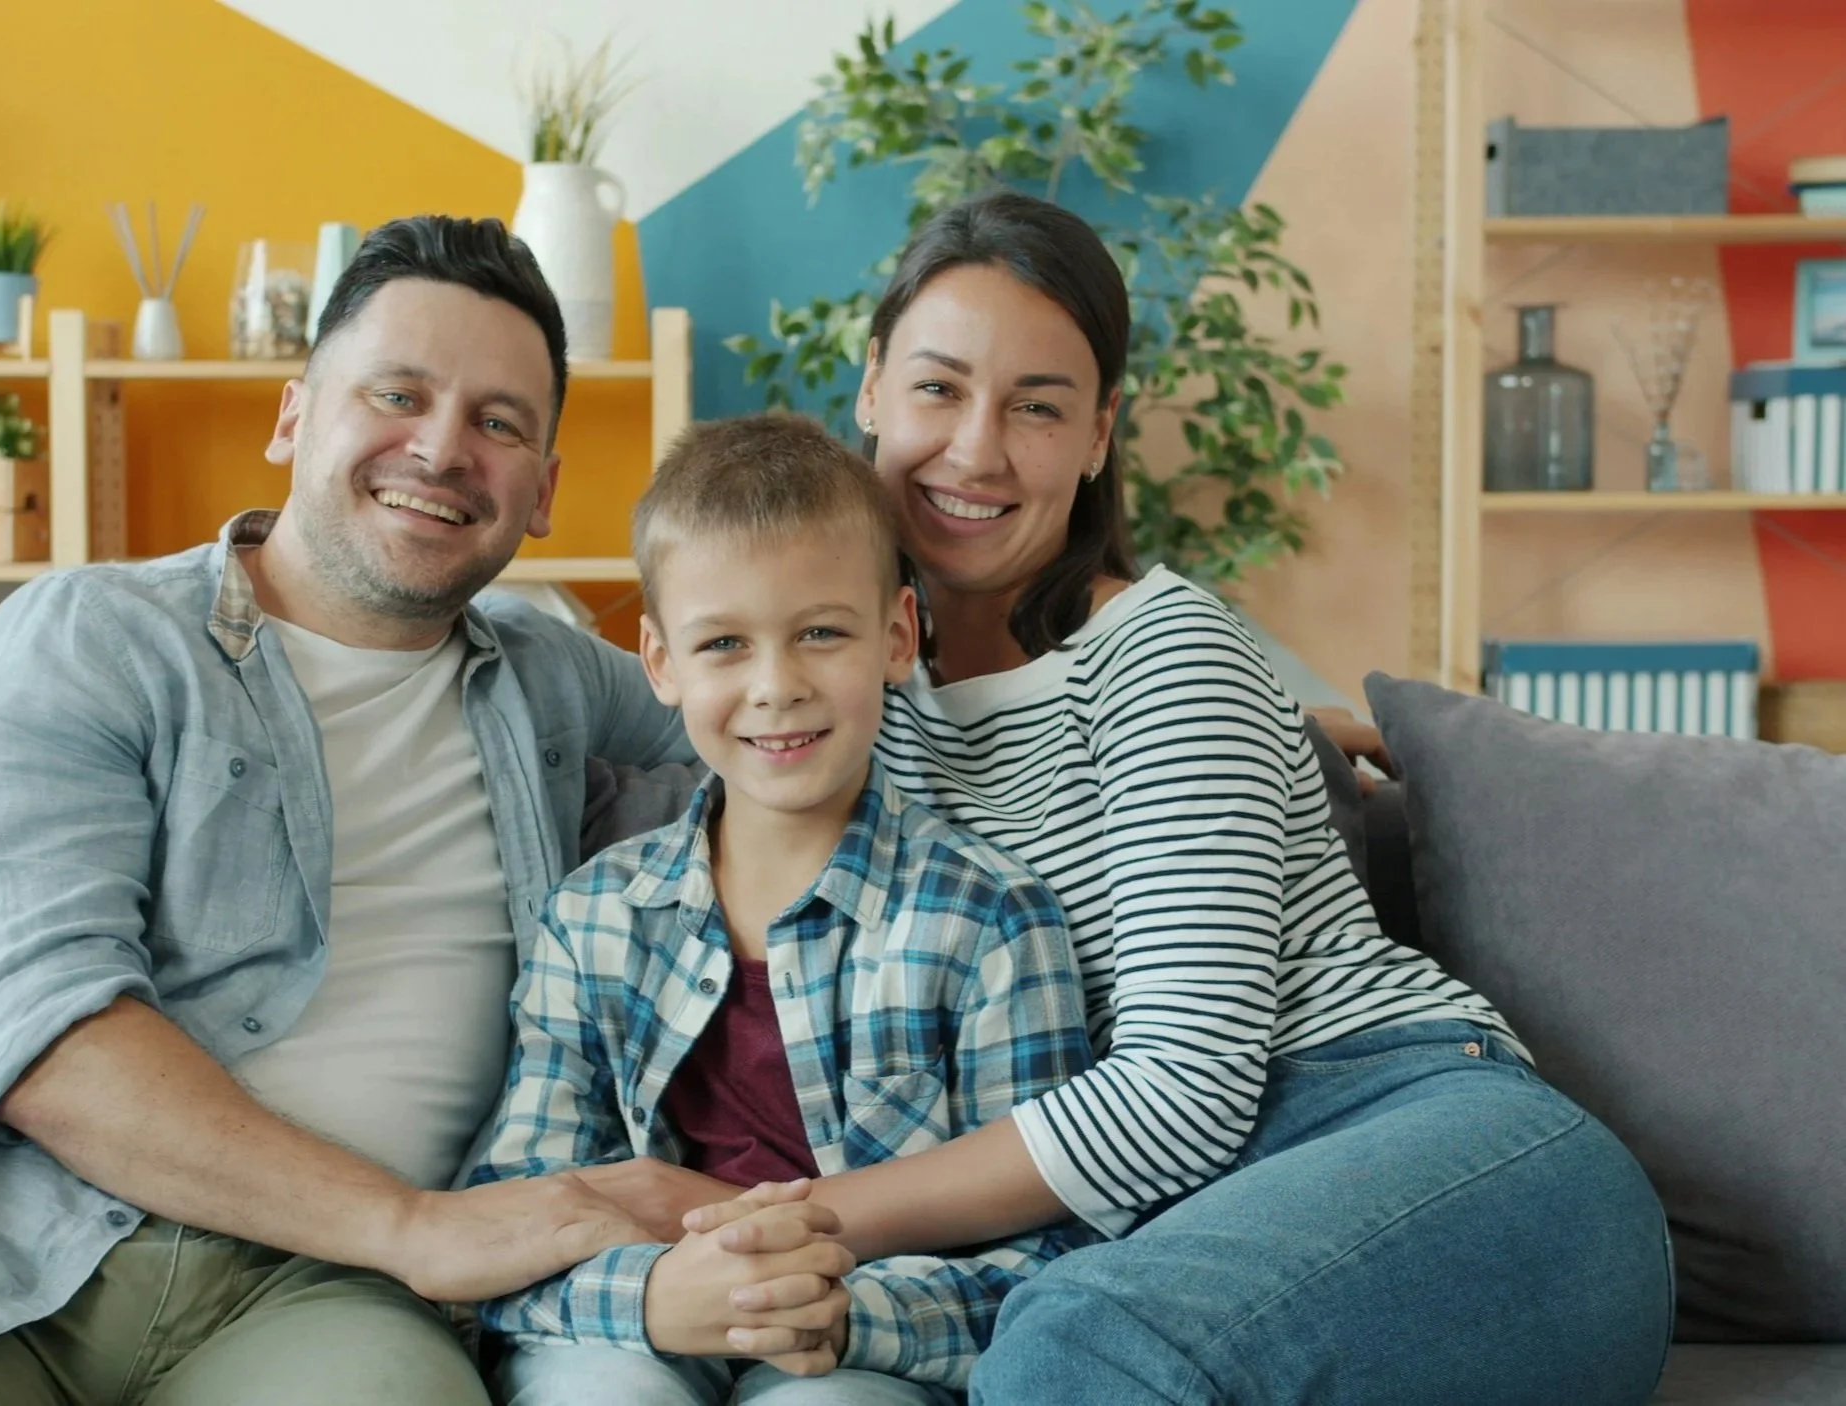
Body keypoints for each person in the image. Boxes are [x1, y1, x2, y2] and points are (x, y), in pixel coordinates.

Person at [583, 192, 1676, 1405]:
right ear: (873, 388)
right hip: (1183, 1251)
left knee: (1066, 1346)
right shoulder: (841, 689)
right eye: (939, 389)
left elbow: (1185, 1088)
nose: (977, 449)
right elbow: (652, 676)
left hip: (1422, 1137)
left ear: (1101, 432)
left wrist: (774, 1226)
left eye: (1038, 406)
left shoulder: (1161, 655)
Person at [0, 215, 829, 1405]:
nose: (443, 447)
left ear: (545, 490)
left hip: (324, 1299)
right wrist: (418, 1225)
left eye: (498, 423)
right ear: (294, 413)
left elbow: (802, 714)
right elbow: (42, 1033)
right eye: (397, 393)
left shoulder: (556, 677)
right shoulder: (93, 638)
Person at [469, 413, 1096, 1406]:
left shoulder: (990, 920)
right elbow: (511, 1219)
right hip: (635, 1326)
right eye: (724, 642)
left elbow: (1060, 1252)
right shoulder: (592, 917)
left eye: (820, 631)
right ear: (661, 661)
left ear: (897, 634)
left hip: (866, 1336)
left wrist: (842, 1313)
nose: (776, 685)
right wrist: (651, 1297)